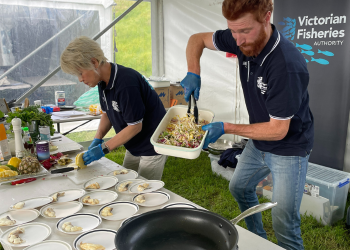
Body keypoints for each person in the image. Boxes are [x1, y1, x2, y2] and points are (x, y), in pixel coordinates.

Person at [180, 1, 314, 249]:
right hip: (260, 139)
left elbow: (278, 130)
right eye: (233, 31)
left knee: (284, 223)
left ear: (267, 17)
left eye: (244, 31)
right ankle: (258, 240)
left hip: (289, 147)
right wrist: (193, 71)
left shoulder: (286, 65)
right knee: (240, 188)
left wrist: (226, 127)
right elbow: (196, 39)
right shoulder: (239, 36)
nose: (238, 41)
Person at [60, 36, 167, 180]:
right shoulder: (102, 82)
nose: (80, 79)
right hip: (133, 142)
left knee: (146, 191)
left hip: (152, 144)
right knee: (126, 182)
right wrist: (97, 139)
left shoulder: (126, 83)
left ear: (94, 62)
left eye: (80, 73)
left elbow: (135, 126)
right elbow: (107, 113)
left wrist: (103, 148)